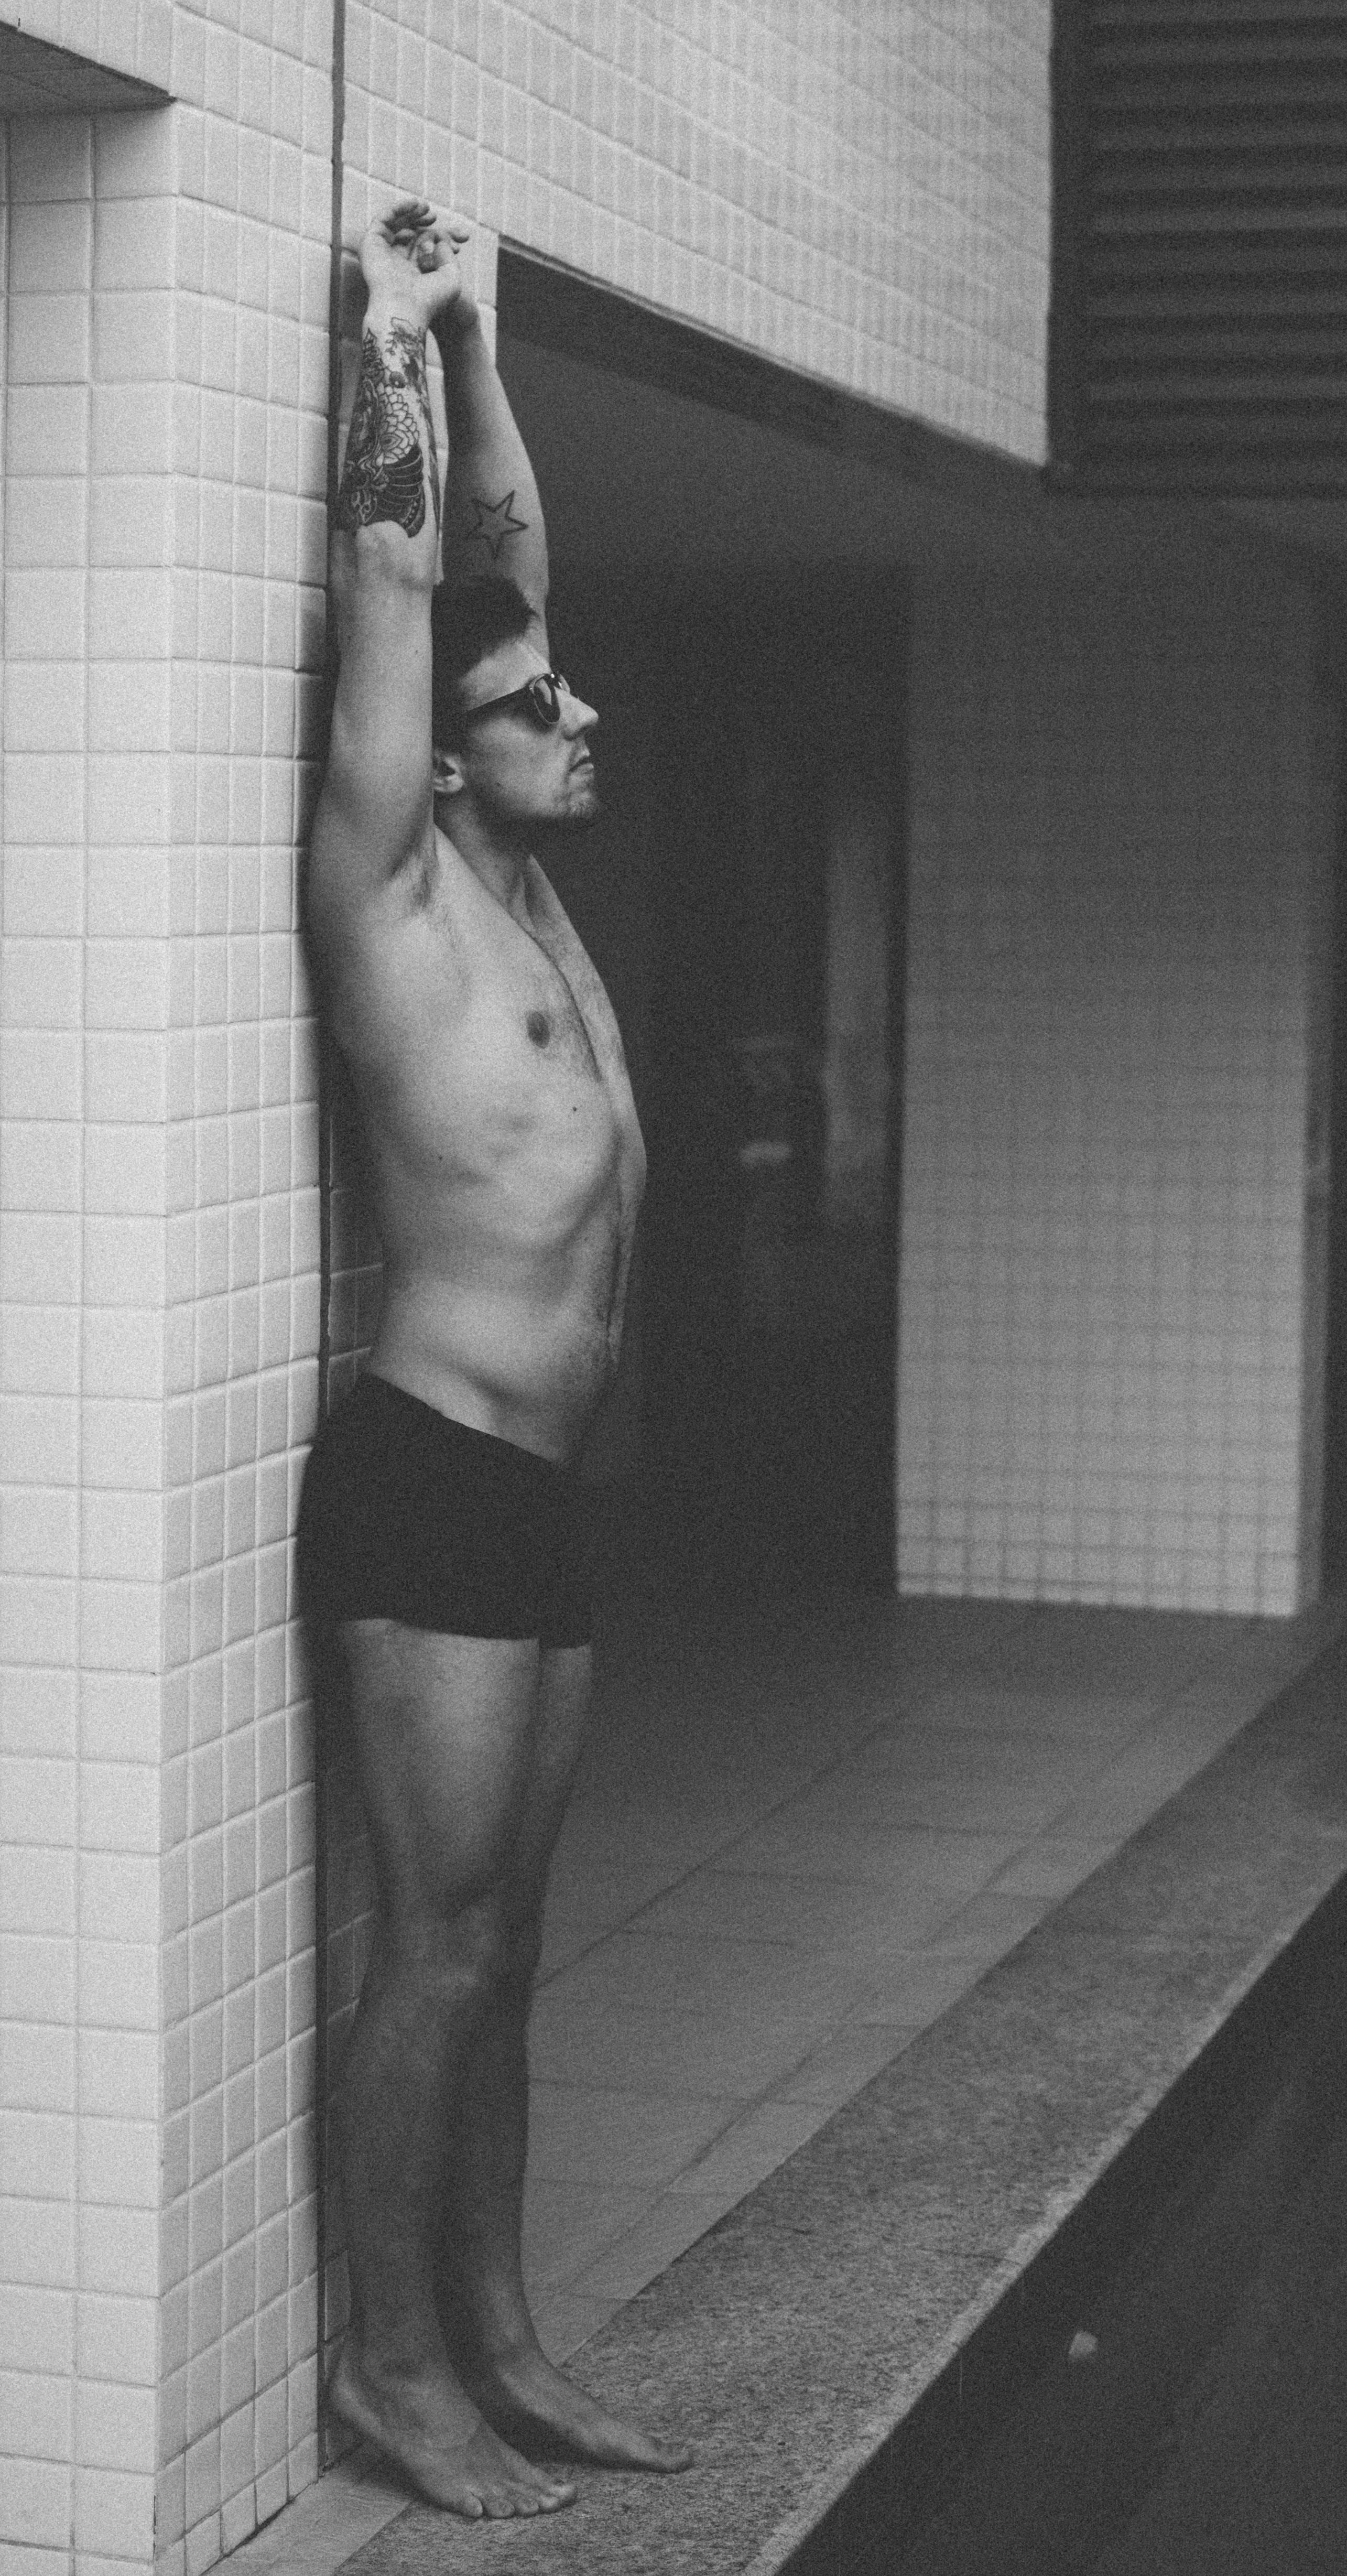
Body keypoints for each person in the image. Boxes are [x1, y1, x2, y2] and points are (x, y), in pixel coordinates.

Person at [297, 199, 690, 2519]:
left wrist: (475, 339)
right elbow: (405, 584)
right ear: (435, 764)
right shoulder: (394, 889)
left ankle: (506, 2335)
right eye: (535, 710)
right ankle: (390, 2369)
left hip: (543, 1498)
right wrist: (382, 337)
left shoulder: (532, 900)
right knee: (433, 1948)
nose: (578, 713)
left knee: (510, 1939)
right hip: (433, 1475)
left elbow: (506, 562)